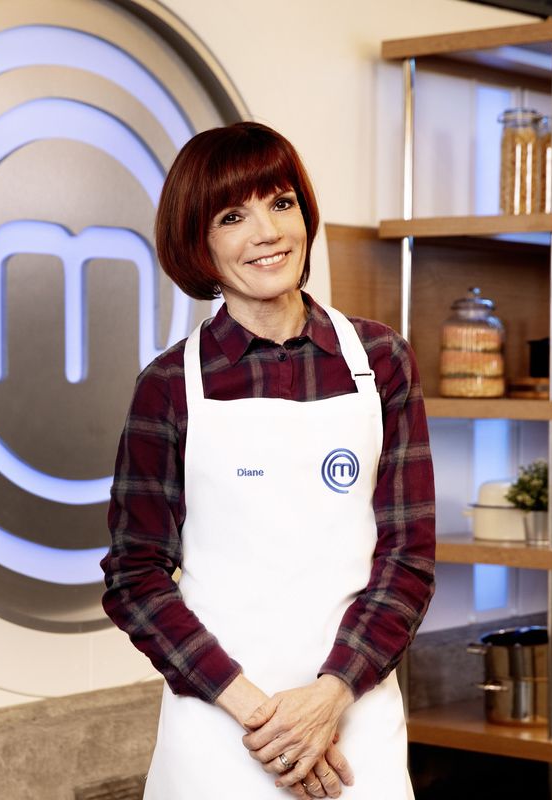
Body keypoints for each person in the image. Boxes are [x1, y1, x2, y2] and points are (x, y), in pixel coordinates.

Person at [102, 121, 435, 799]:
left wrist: (330, 695)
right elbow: (134, 577)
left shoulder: (381, 362)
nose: (267, 233)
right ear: (199, 243)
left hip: (356, 726)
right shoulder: (169, 386)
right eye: (233, 216)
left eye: (281, 204)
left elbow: (408, 558)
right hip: (221, 734)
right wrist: (267, 719)